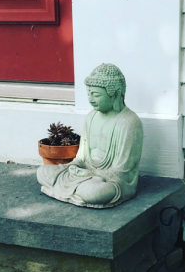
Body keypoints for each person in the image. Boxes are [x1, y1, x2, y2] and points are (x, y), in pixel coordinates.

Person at [37, 63, 143, 208]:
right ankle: (77, 192)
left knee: (95, 192)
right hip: (86, 174)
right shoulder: (91, 117)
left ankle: (79, 192)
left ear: (116, 95)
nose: (91, 99)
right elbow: (81, 158)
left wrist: (89, 174)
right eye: (89, 93)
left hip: (110, 181)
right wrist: (75, 167)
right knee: (43, 172)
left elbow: (123, 172)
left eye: (96, 94)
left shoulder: (129, 122)